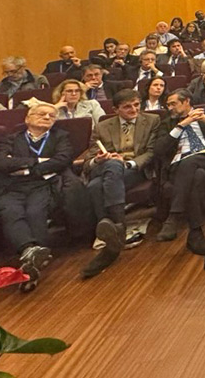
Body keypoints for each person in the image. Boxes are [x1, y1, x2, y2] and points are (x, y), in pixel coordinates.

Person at [77, 89, 160, 278]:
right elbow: (89, 159)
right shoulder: (103, 126)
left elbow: (151, 152)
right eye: (127, 107)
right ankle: (119, 226)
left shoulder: (152, 121)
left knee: (94, 186)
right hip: (106, 167)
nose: (134, 109)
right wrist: (100, 159)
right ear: (116, 109)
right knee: (112, 165)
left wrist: (128, 162)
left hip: (134, 168)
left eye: (137, 105)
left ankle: (109, 237)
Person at [0, 103, 73, 291]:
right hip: (10, 186)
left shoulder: (60, 137)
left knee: (36, 212)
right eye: (42, 114)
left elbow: (62, 160)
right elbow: (2, 163)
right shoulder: (11, 138)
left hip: (42, 185)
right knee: (10, 211)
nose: (47, 117)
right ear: (27, 118)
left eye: (51, 116)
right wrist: (37, 161)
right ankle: (30, 251)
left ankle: (31, 263)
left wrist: (24, 168)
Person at [153, 89, 205, 255]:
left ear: (187, 101)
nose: (170, 108)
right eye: (168, 105)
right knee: (198, 175)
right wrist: (181, 125)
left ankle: (174, 216)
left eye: (173, 104)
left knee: (192, 161)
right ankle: (195, 234)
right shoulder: (167, 123)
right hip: (179, 164)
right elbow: (159, 150)